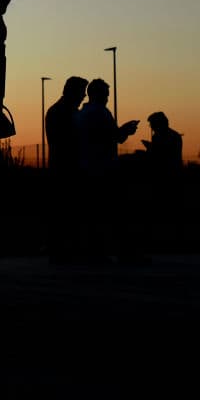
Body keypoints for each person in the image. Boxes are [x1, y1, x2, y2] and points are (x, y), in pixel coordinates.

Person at [76, 78, 140, 261]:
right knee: (111, 211)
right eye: (105, 95)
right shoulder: (100, 113)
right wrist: (126, 130)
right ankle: (120, 251)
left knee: (94, 212)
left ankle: (95, 251)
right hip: (102, 168)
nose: (107, 98)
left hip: (87, 167)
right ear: (97, 94)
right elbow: (115, 136)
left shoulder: (82, 114)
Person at [44, 76, 89, 262]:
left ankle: (62, 249)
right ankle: (63, 250)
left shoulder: (57, 110)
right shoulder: (64, 112)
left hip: (63, 167)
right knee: (66, 210)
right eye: (82, 92)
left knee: (63, 211)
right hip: (66, 168)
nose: (83, 97)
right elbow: (67, 141)